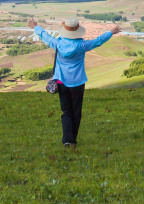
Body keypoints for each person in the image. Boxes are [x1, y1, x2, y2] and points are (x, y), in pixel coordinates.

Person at [27, 16, 121, 148]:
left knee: (66, 112)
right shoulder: (82, 46)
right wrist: (111, 32)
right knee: (76, 112)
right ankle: (72, 140)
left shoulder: (58, 44)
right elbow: (98, 41)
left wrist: (35, 26)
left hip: (61, 83)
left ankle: (67, 139)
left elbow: (45, 36)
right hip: (77, 82)